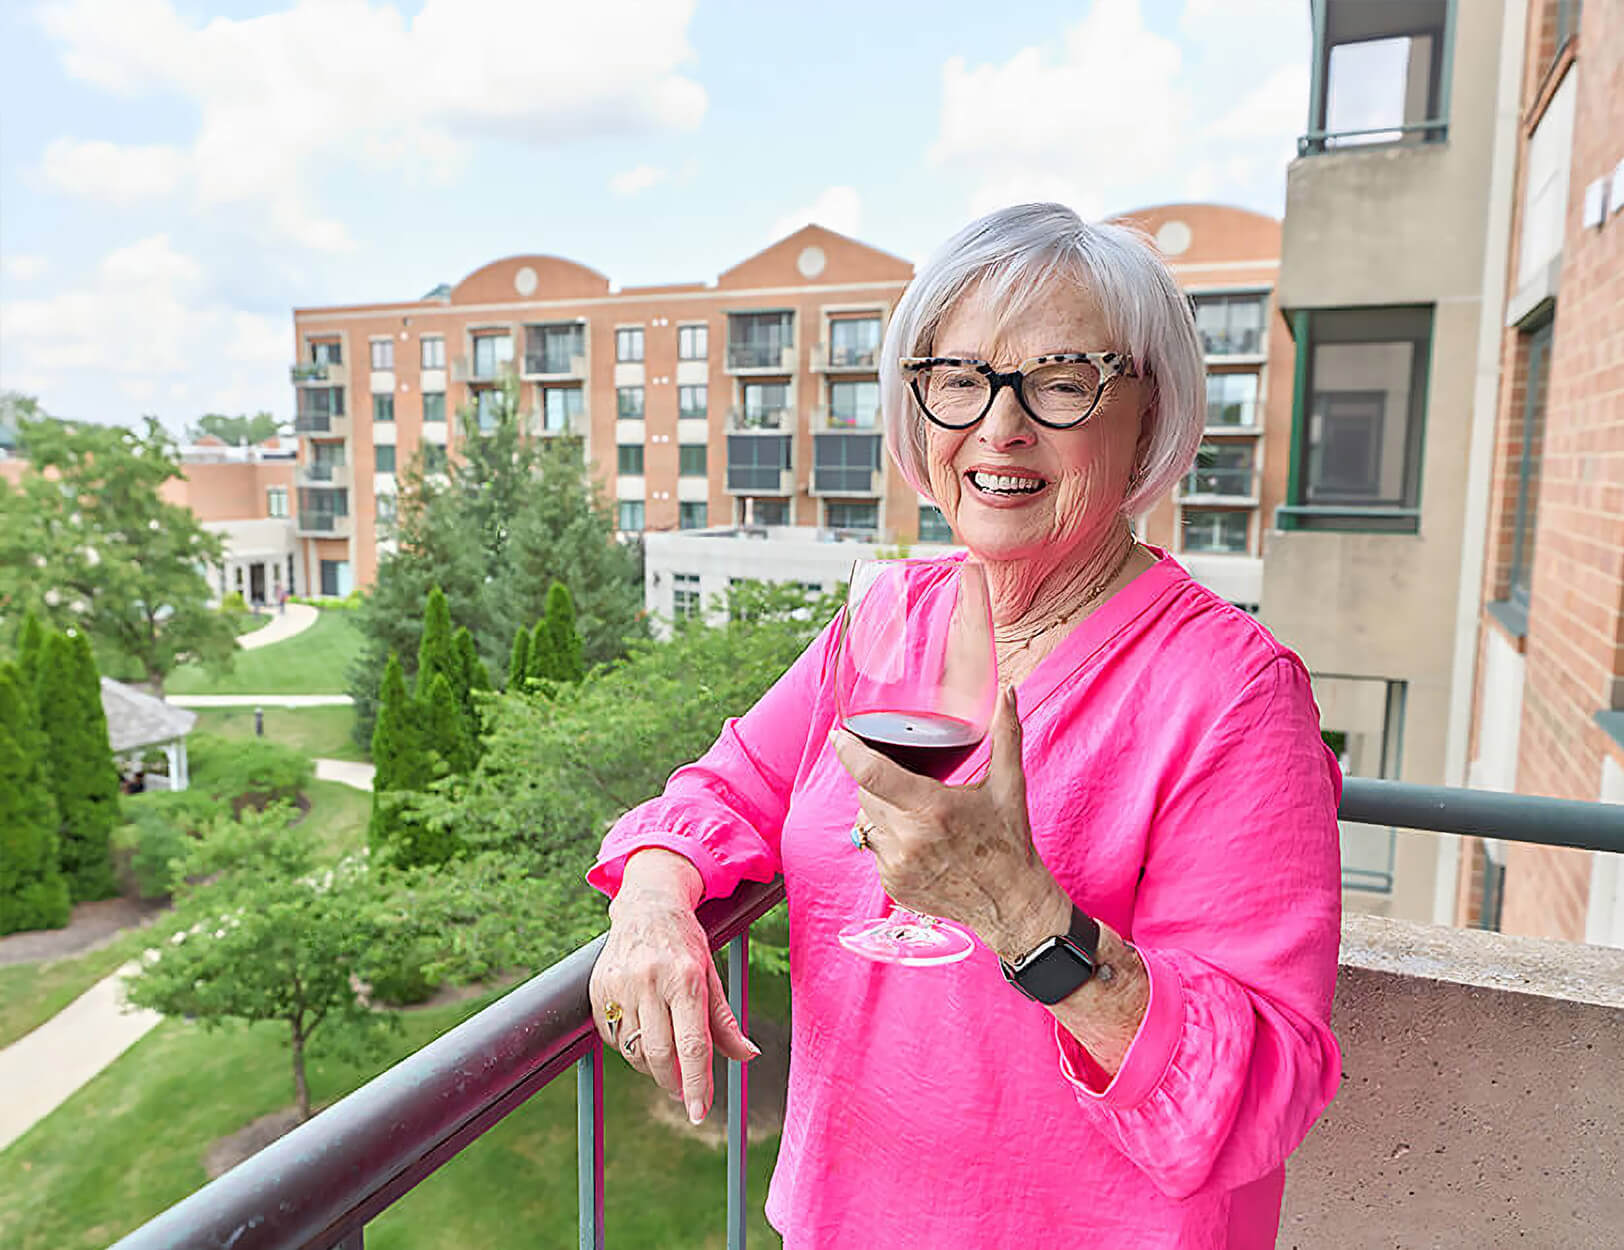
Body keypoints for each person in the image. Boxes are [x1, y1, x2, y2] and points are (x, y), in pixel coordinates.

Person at [588, 203, 1343, 1249]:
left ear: (1148, 412)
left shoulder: (1231, 691)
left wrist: (1022, 911)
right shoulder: (888, 618)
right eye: (958, 377)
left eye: (1061, 377)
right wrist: (654, 903)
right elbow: (719, 788)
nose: (998, 425)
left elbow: (1258, 1088)